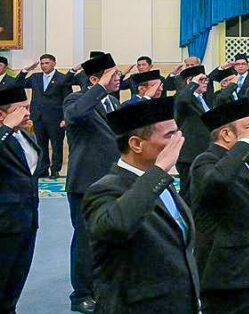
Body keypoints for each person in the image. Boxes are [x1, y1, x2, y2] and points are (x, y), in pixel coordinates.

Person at [82, 97, 198, 314]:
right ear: (136, 144)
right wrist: (160, 170)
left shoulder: (160, 182)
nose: (179, 141)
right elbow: (115, 225)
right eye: (169, 136)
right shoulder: (106, 188)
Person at [190, 99, 249, 313]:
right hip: (229, 275)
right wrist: (244, 143)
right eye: (247, 127)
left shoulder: (241, 159)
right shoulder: (205, 161)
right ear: (226, 134)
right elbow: (217, 181)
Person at [61, 53, 123, 314]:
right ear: (96, 79)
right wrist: (98, 87)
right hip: (86, 182)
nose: (118, 78)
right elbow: (76, 114)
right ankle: (81, 294)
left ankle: (104, 286)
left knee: (111, 236)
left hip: (113, 180)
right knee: (86, 240)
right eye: (112, 75)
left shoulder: (112, 103)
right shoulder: (76, 99)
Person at [13, 54, 81, 179]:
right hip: (38, 117)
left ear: (54, 63)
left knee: (56, 145)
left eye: (47, 63)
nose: (44, 66)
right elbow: (17, 84)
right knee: (40, 144)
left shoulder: (62, 78)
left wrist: (65, 117)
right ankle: (43, 169)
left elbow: (68, 99)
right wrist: (25, 70)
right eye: (42, 63)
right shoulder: (35, 77)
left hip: (56, 117)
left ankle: (55, 169)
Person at [0, 88, 37, 314]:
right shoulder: (5, 134)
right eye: (19, 110)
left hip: (27, 219)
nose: (26, 114)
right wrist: (5, 129)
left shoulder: (26, 135)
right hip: (3, 224)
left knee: (15, 280)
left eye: (28, 107)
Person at [173, 65, 212, 199]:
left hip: (203, 151)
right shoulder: (184, 99)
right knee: (188, 193)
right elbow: (182, 99)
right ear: (190, 81)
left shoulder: (202, 99)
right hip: (189, 155)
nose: (206, 83)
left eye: (206, 79)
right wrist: (194, 83)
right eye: (202, 80)